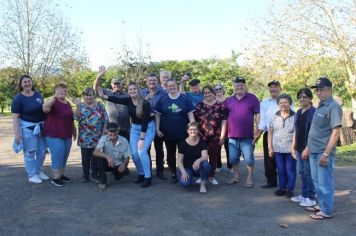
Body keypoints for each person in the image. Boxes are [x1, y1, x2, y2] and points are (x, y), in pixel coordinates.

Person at [99, 82, 156, 188]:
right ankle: (141, 174)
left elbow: (145, 121)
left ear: (138, 90)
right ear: (128, 92)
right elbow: (115, 99)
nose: (132, 91)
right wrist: (103, 96)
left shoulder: (144, 103)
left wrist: (142, 139)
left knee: (142, 151)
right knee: (134, 153)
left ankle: (148, 177)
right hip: (135, 128)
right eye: (130, 89)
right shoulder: (128, 100)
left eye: (134, 89)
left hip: (147, 128)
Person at [307, 77, 342, 220]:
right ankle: (321, 204)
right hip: (314, 151)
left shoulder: (333, 106)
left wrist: (326, 154)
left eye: (322, 89)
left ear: (330, 90)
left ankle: (326, 210)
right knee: (316, 181)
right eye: (317, 90)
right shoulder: (321, 104)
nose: (319, 92)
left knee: (325, 183)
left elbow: (336, 132)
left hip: (323, 152)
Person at [154, 78, 195, 183]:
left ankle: (185, 172)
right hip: (168, 133)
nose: (171, 87)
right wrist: (157, 128)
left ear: (176, 85)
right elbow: (157, 115)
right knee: (170, 154)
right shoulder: (163, 99)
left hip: (183, 133)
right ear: (166, 87)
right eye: (169, 86)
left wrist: (193, 128)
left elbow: (190, 114)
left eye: (173, 85)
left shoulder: (184, 98)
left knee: (184, 153)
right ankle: (173, 173)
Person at [11, 75, 48, 184]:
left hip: (41, 128)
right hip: (28, 129)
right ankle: (32, 175)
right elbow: (15, 117)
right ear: (21, 84)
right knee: (30, 152)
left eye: (29, 81)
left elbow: (43, 109)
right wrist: (17, 134)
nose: (27, 83)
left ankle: (38, 171)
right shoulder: (18, 98)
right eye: (25, 82)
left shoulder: (38, 95)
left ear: (32, 83)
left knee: (42, 151)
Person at [224, 77, 260, 188]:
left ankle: (249, 177)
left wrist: (257, 130)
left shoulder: (252, 98)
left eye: (241, 85)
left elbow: (257, 114)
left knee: (249, 159)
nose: (239, 87)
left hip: (247, 136)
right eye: (237, 85)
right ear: (233, 87)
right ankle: (236, 176)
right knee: (233, 158)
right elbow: (224, 118)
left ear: (245, 86)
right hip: (232, 136)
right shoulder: (228, 100)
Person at [43, 82, 76, 187]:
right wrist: (54, 98)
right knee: (57, 155)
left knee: (64, 156)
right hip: (54, 134)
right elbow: (45, 109)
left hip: (67, 134)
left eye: (65, 90)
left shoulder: (67, 103)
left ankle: (61, 175)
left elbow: (71, 118)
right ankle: (56, 178)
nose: (63, 92)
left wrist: (74, 130)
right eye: (60, 90)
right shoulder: (52, 102)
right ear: (55, 91)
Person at [73, 87, 108, 183]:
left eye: (90, 95)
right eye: (86, 95)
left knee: (95, 157)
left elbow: (105, 120)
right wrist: (78, 106)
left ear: (94, 95)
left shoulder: (100, 106)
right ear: (83, 96)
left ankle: (94, 174)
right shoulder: (81, 106)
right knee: (85, 158)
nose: (88, 97)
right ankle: (85, 175)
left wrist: (104, 133)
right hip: (84, 137)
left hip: (97, 136)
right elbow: (76, 117)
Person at [194, 85, 227, 185]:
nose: (207, 95)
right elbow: (195, 121)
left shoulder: (220, 106)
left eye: (209, 92)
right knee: (202, 157)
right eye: (205, 93)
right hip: (201, 136)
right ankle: (202, 176)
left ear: (214, 93)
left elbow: (224, 122)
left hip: (215, 136)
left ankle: (211, 177)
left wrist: (222, 136)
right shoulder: (199, 105)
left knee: (213, 158)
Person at [290, 88, 316, 207]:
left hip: (308, 148)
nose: (302, 99)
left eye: (304, 97)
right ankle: (304, 194)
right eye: (300, 97)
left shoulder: (313, 112)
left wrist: (307, 148)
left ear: (310, 98)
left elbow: (313, 132)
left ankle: (311, 197)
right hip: (299, 147)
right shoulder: (299, 112)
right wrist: (293, 146)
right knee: (301, 171)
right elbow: (296, 130)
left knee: (308, 173)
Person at [254, 80, 282, 188]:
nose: (273, 89)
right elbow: (263, 120)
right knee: (269, 159)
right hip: (268, 134)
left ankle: (284, 183)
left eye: (275, 87)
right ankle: (271, 181)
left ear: (280, 88)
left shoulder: (286, 100)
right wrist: (258, 134)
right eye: (271, 87)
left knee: (282, 158)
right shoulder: (265, 102)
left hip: (283, 134)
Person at [268, 94, 296, 198]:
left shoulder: (295, 117)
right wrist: (270, 148)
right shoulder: (274, 117)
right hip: (278, 149)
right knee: (280, 169)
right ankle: (282, 188)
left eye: (285, 102)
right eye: (281, 103)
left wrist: (294, 147)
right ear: (278, 105)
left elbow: (297, 133)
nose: (283, 104)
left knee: (290, 170)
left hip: (291, 149)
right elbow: (270, 133)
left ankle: (290, 189)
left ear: (290, 104)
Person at [141, 73, 167, 179]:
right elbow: (137, 106)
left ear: (157, 81)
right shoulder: (141, 92)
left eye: (154, 80)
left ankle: (160, 171)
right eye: (150, 80)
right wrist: (146, 99)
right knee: (146, 149)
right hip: (145, 124)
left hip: (158, 123)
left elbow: (165, 107)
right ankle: (148, 172)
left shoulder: (163, 92)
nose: (152, 82)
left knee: (159, 149)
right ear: (147, 81)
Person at [93, 65, 130, 140]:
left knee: (125, 150)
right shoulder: (107, 92)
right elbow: (95, 89)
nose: (117, 85)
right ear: (111, 84)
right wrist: (99, 77)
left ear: (122, 84)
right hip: (111, 129)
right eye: (115, 84)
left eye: (118, 83)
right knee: (110, 150)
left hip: (125, 129)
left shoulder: (127, 95)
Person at [93, 122, 132, 191]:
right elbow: (95, 152)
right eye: (111, 131)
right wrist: (107, 157)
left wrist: (123, 164)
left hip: (118, 164)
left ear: (118, 130)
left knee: (121, 175)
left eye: (115, 131)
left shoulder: (124, 140)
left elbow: (127, 157)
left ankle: (117, 173)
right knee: (98, 158)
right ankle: (103, 181)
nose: (113, 133)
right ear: (107, 131)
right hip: (107, 163)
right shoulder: (104, 138)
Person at [177, 122, 211, 193]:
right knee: (185, 184)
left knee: (206, 165)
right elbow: (179, 161)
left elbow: (205, 157)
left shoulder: (202, 142)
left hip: (198, 168)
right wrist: (183, 172)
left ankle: (203, 184)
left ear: (198, 131)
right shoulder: (182, 143)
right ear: (187, 131)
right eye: (191, 129)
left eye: (195, 129)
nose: (193, 131)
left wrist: (198, 160)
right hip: (187, 168)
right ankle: (188, 177)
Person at [214, 83, 232, 173]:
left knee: (229, 148)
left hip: (229, 128)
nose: (218, 91)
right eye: (216, 89)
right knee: (217, 148)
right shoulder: (212, 101)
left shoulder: (229, 100)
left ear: (223, 90)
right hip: (216, 128)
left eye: (220, 89)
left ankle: (230, 166)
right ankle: (218, 165)